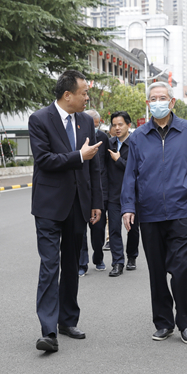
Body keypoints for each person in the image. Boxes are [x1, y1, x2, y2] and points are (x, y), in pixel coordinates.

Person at [121, 82, 187, 344]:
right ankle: (163, 322)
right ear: (148, 104)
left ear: (172, 102)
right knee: (157, 271)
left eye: (162, 97)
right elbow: (130, 175)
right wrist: (128, 207)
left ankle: (184, 322)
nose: (157, 102)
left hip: (182, 211)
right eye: (153, 98)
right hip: (150, 214)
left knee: (181, 267)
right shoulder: (138, 137)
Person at [29, 70, 103, 353]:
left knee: (72, 265)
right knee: (50, 266)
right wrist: (78, 156)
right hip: (49, 205)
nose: (87, 97)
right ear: (67, 95)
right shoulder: (39, 119)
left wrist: (96, 202)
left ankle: (68, 320)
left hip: (78, 204)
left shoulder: (86, 121)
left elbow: (94, 167)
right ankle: (48, 331)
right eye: (84, 93)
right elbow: (45, 160)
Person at [105, 111, 140, 273]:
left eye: (120, 124)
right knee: (113, 229)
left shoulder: (136, 144)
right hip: (113, 194)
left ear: (128, 125)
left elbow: (137, 170)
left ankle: (132, 256)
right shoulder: (109, 144)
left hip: (132, 195)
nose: (117, 128)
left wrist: (119, 160)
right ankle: (117, 262)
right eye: (114, 125)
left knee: (132, 229)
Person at [78, 109, 109, 276]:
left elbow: (105, 165)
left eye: (96, 125)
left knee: (98, 230)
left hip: (98, 191)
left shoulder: (103, 138)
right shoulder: (77, 138)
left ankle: (98, 257)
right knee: (80, 231)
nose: (94, 128)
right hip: (81, 191)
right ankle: (82, 263)